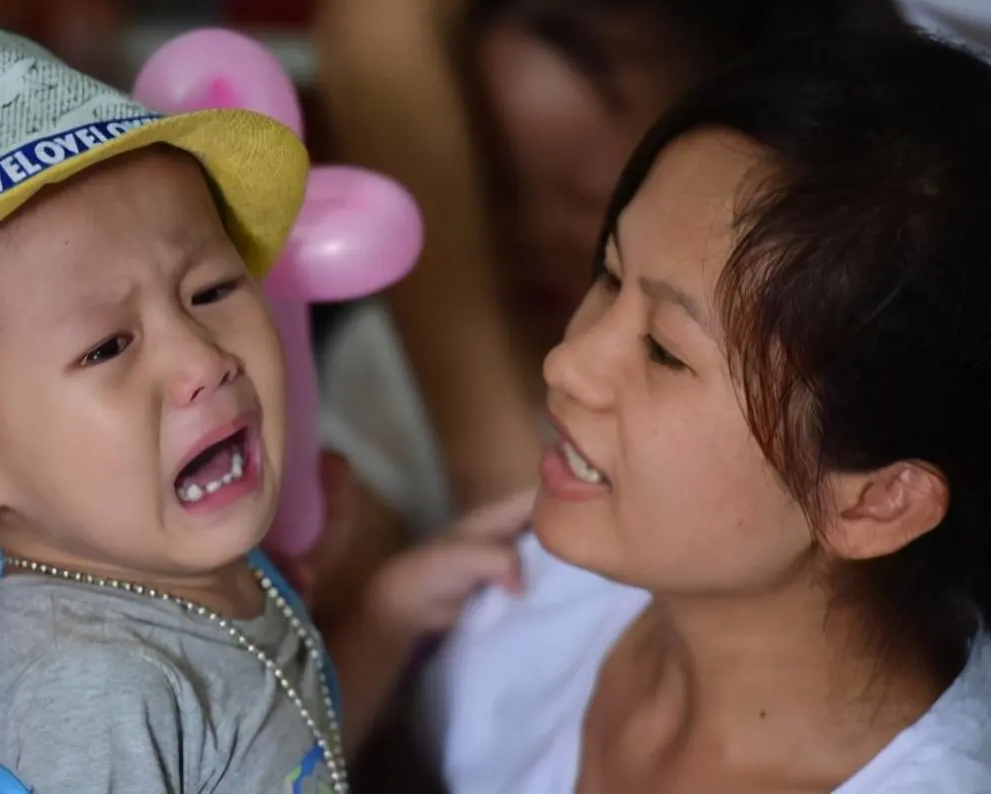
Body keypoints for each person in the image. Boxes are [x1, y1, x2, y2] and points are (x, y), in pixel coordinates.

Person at [0, 21, 526, 793]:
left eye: (212, 291)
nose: (205, 360)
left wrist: (384, 616)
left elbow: (288, 759)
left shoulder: (190, 574)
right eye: (108, 347)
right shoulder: (89, 695)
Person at [420, 30, 991, 792]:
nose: (568, 363)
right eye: (610, 274)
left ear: (878, 502)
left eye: (663, 350)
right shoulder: (555, 573)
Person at [307, 0, 903, 612]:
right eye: (497, 191)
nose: (532, 237)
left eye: (586, 199)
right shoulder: (393, 354)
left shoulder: (765, 406)